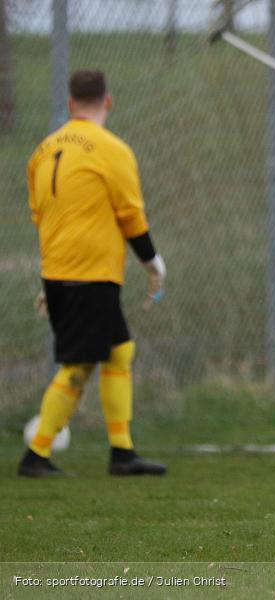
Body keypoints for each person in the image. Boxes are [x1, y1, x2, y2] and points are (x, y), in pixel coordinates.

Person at [18, 69, 167, 478]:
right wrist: (152, 262)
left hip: (60, 270)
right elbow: (130, 216)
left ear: (69, 104)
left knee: (118, 350)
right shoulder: (110, 149)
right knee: (78, 364)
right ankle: (37, 453)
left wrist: (52, 278)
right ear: (108, 101)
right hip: (90, 274)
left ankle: (122, 451)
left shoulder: (43, 150)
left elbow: (41, 215)